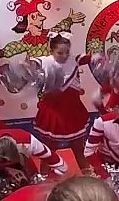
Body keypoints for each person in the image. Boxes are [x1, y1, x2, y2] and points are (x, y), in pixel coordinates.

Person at [31, 35, 94, 173]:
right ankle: (44, 177)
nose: (64, 55)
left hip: (72, 111)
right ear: (51, 50)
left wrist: (99, 57)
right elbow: (32, 63)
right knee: (49, 150)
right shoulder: (44, 61)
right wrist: (27, 67)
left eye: (67, 52)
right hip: (53, 112)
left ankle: (88, 174)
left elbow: (90, 57)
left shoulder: (74, 60)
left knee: (78, 147)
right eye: (60, 52)